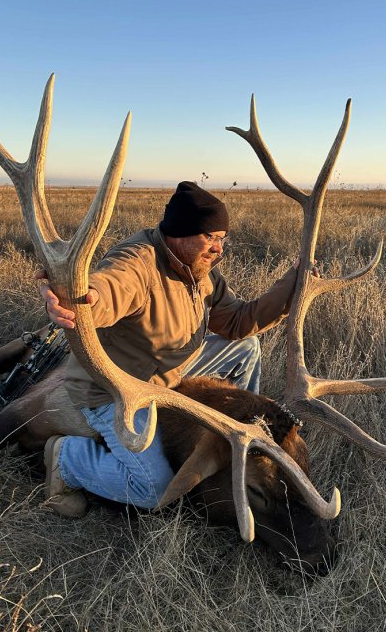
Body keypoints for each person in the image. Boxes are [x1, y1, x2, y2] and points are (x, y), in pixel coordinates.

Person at [36, 182, 298, 517]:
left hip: (167, 372)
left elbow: (237, 321)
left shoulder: (201, 275)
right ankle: (68, 459)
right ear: (180, 233)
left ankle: (237, 441)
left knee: (246, 347)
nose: (219, 249)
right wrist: (79, 298)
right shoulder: (138, 263)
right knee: (154, 488)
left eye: (222, 239)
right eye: (211, 237)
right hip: (116, 388)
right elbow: (109, 287)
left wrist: (290, 284)